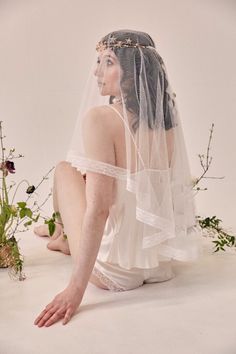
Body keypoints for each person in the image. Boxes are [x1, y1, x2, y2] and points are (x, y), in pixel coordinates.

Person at [33, 29, 202, 327]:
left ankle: (62, 236)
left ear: (134, 69)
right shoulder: (166, 119)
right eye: (98, 61)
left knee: (64, 169)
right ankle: (62, 234)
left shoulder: (101, 118)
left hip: (112, 272)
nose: (97, 71)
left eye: (108, 62)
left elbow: (99, 209)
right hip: (159, 266)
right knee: (96, 177)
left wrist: (75, 290)